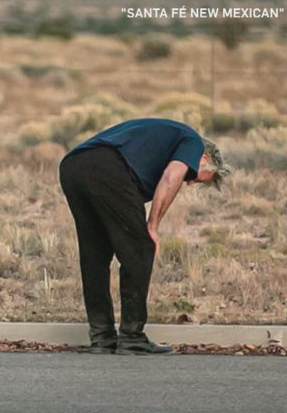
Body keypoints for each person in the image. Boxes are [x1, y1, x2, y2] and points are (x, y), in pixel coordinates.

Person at [58, 118, 231, 354]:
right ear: (203, 158)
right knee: (141, 248)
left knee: (95, 256)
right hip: (106, 167)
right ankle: (131, 337)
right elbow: (171, 177)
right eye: (195, 177)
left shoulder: (164, 140)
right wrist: (152, 226)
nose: (189, 182)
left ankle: (102, 338)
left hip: (72, 166)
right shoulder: (192, 142)